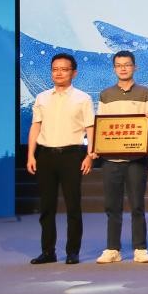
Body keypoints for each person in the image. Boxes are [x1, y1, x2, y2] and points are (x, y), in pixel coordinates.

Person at [27, 52, 95, 265]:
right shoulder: (42, 97)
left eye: (64, 69)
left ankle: (73, 251)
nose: (58, 73)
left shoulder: (83, 98)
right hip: (45, 155)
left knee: (73, 205)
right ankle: (48, 251)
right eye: (55, 69)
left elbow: (90, 128)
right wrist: (30, 155)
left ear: (73, 73)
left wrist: (90, 155)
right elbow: (35, 126)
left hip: (72, 155)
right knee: (47, 206)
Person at [93, 51, 148, 265]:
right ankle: (113, 248)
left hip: (136, 158)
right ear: (114, 69)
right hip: (111, 159)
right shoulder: (105, 94)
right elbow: (101, 124)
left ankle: (140, 248)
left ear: (135, 67)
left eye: (127, 64)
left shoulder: (145, 93)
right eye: (119, 65)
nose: (123, 68)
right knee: (112, 206)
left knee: (137, 205)